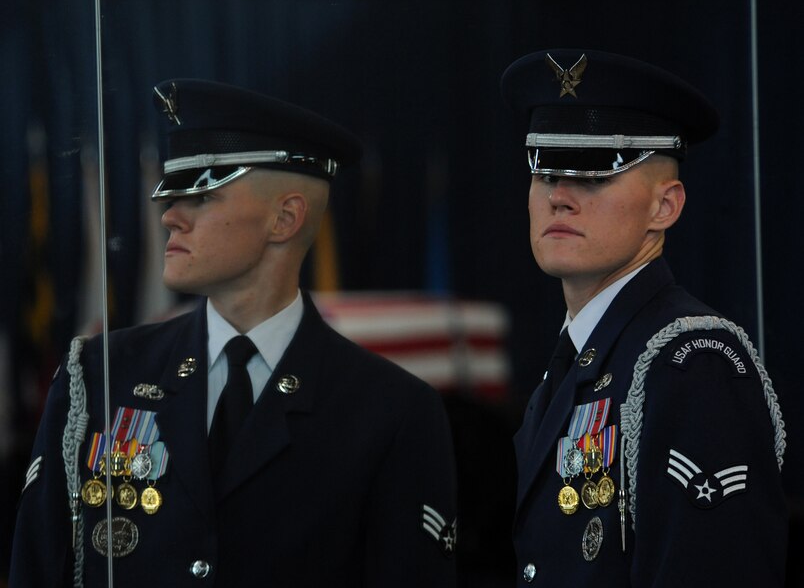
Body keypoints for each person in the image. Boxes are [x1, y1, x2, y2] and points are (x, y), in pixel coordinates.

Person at [10, 79, 457, 587]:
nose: (170, 216)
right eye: (172, 194)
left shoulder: (390, 410)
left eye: (201, 193)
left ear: (285, 218)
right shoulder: (100, 374)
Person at [500, 49, 787, 586]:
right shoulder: (586, 352)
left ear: (665, 207)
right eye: (545, 173)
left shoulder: (692, 365)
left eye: (593, 177)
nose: (560, 197)